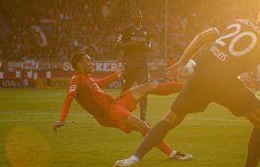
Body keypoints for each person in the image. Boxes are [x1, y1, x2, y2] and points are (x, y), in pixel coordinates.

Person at [114, 3, 260, 167]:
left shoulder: (238, 22)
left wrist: (182, 61)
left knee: (170, 118)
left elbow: (202, 37)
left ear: (259, 14)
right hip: (226, 81)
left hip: (201, 74)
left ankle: (134, 158)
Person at [53, 52, 192, 161]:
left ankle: (188, 87)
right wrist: (62, 119)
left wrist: (115, 75)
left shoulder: (88, 78)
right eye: (88, 60)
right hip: (110, 113)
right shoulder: (75, 79)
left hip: (116, 102)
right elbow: (69, 96)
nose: (91, 62)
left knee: (148, 86)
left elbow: (99, 83)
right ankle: (173, 154)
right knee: (143, 126)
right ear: (79, 64)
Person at [117, 10, 151, 121]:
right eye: (136, 16)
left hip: (142, 65)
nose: (138, 18)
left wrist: (146, 46)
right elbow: (118, 44)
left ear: (142, 18)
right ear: (133, 18)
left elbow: (149, 46)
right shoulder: (126, 30)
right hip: (129, 64)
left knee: (144, 90)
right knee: (125, 89)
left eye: (139, 16)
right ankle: (118, 112)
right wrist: (130, 44)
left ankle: (143, 119)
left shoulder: (146, 31)